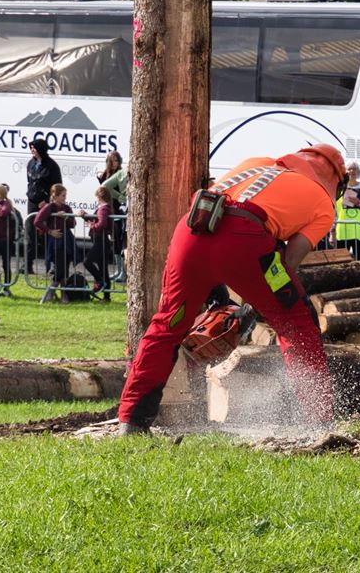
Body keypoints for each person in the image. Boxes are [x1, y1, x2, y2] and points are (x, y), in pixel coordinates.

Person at [117, 144, 347, 435]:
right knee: (297, 322)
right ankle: (319, 420)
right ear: (335, 181)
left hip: (191, 232)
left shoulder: (256, 161)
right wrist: (261, 303)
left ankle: (131, 420)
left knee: (167, 325)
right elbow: (288, 262)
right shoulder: (323, 203)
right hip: (245, 238)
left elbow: (221, 217)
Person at [25, 138, 63, 275]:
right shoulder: (31, 163)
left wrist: (48, 202)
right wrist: (33, 198)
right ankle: (27, 264)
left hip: (47, 205)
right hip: (33, 203)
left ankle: (53, 265)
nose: (32, 150)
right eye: (31, 148)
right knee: (30, 234)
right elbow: (30, 183)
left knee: (49, 234)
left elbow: (57, 186)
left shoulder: (52, 166)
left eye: (34, 148)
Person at [35, 183, 75, 303]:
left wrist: (66, 218)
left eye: (65, 195)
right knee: (60, 268)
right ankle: (51, 292)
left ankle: (62, 295)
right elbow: (37, 221)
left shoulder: (67, 208)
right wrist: (50, 231)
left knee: (64, 268)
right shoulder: (49, 207)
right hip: (55, 243)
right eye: (63, 195)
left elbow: (72, 224)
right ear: (55, 196)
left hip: (66, 241)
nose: (65, 198)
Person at [333, 161, 360, 260]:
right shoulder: (339, 189)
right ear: (345, 172)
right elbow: (333, 212)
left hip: (359, 233)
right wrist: (332, 233)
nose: (352, 171)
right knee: (341, 264)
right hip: (342, 234)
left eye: (354, 169)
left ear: (358, 172)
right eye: (349, 169)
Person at [77, 186, 113, 301]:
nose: (96, 200)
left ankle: (99, 280)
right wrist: (85, 216)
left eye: (97, 198)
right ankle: (107, 297)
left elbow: (101, 224)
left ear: (100, 197)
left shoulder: (103, 209)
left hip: (100, 241)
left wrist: (91, 226)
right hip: (102, 241)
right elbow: (96, 220)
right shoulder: (105, 208)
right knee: (103, 269)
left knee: (87, 261)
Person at [98, 151, 127, 283]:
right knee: (115, 241)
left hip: (120, 210)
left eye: (116, 160)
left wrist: (120, 197)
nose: (113, 163)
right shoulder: (105, 175)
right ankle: (118, 269)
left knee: (122, 241)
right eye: (111, 161)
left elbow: (110, 190)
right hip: (109, 210)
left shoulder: (121, 173)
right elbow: (103, 189)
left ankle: (123, 271)